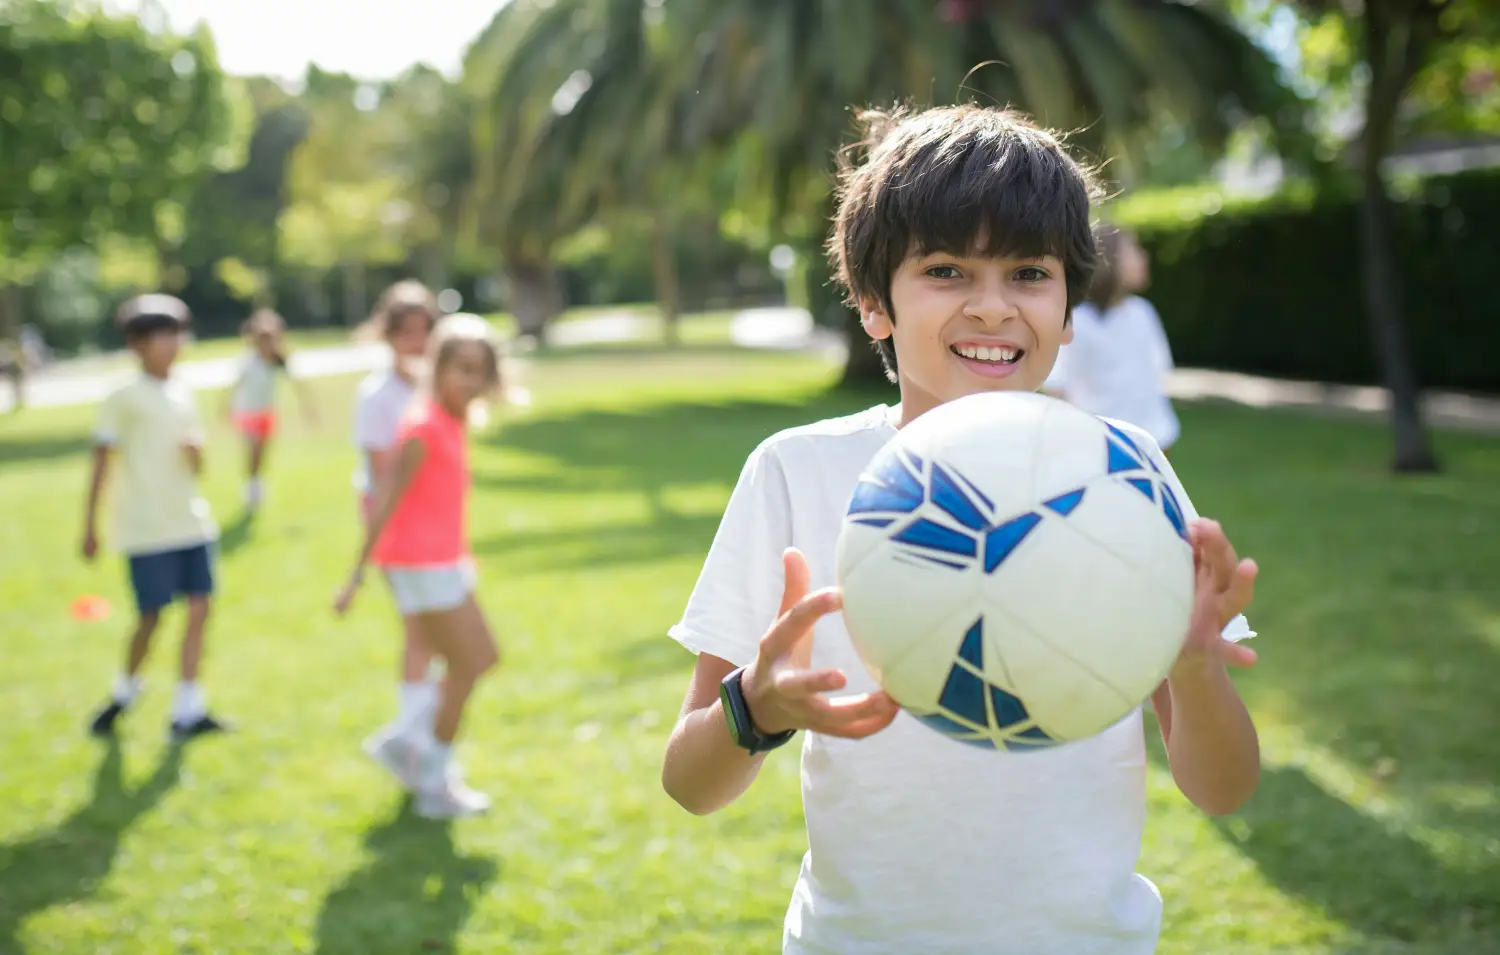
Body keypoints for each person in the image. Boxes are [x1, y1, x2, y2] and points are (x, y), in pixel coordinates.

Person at [661, 105, 1261, 955]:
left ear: (1068, 306)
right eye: (945, 270)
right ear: (874, 303)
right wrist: (754, 707)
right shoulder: (797, 472)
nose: (992, 307)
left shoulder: (1123, 472)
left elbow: (1223, 788)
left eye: (1029, 273)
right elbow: (690, 783)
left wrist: (1195, 669)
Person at [334, 312, 504, 819]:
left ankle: (410, 746)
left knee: (477, 660)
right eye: (462, 368)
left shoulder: (451, 419)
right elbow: (384, 498)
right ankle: (429, 773)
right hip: (420, 565)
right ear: (439, 367)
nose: (472, 381)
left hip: (439, 562)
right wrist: (356, 574)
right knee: (472, 663)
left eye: (481, 370)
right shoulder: (423, 426)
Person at [82, 294, 231, 741]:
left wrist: (197, 455)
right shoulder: (122, 397)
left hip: (192, 522)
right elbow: (102, 463)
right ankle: (124, 692)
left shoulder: (183, 391)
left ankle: (188, 709)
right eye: (161, 335)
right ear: (137, 344)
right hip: (147, 530)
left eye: (176, 334)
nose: (172, 344)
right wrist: (90, 525)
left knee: (200, 609)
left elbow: (197, 467)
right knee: (151, 618)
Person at [350, 280, 441, 783]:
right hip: (399, 529)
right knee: (421, 632)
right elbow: (383, 477)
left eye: (425, 330)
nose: (416, 341)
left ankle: (414, 739)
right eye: (406, 331)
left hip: (434, 526)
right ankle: (407, 740)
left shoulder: (435, 385)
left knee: (434, 636)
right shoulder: (378, 395)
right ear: (387, 334)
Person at [1045, 222, 1180, 453]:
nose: (1144, 256)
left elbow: (1155, 379)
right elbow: (1058, 387)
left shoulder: (1142, 312)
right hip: (1099, 446)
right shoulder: (1079, 323)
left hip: (1152, 443)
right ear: (1107, 259)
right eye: (1134, 249)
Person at [226, 308, 316, 511]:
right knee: (254, 450)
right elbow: (235, 386)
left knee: (261, 453)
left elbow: (298, 383)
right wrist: (226, 407)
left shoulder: (278, 360)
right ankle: (251, 489)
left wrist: (307, 407)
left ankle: (256, 484)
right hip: (247, 412)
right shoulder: (249, 361)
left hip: (266, 412)